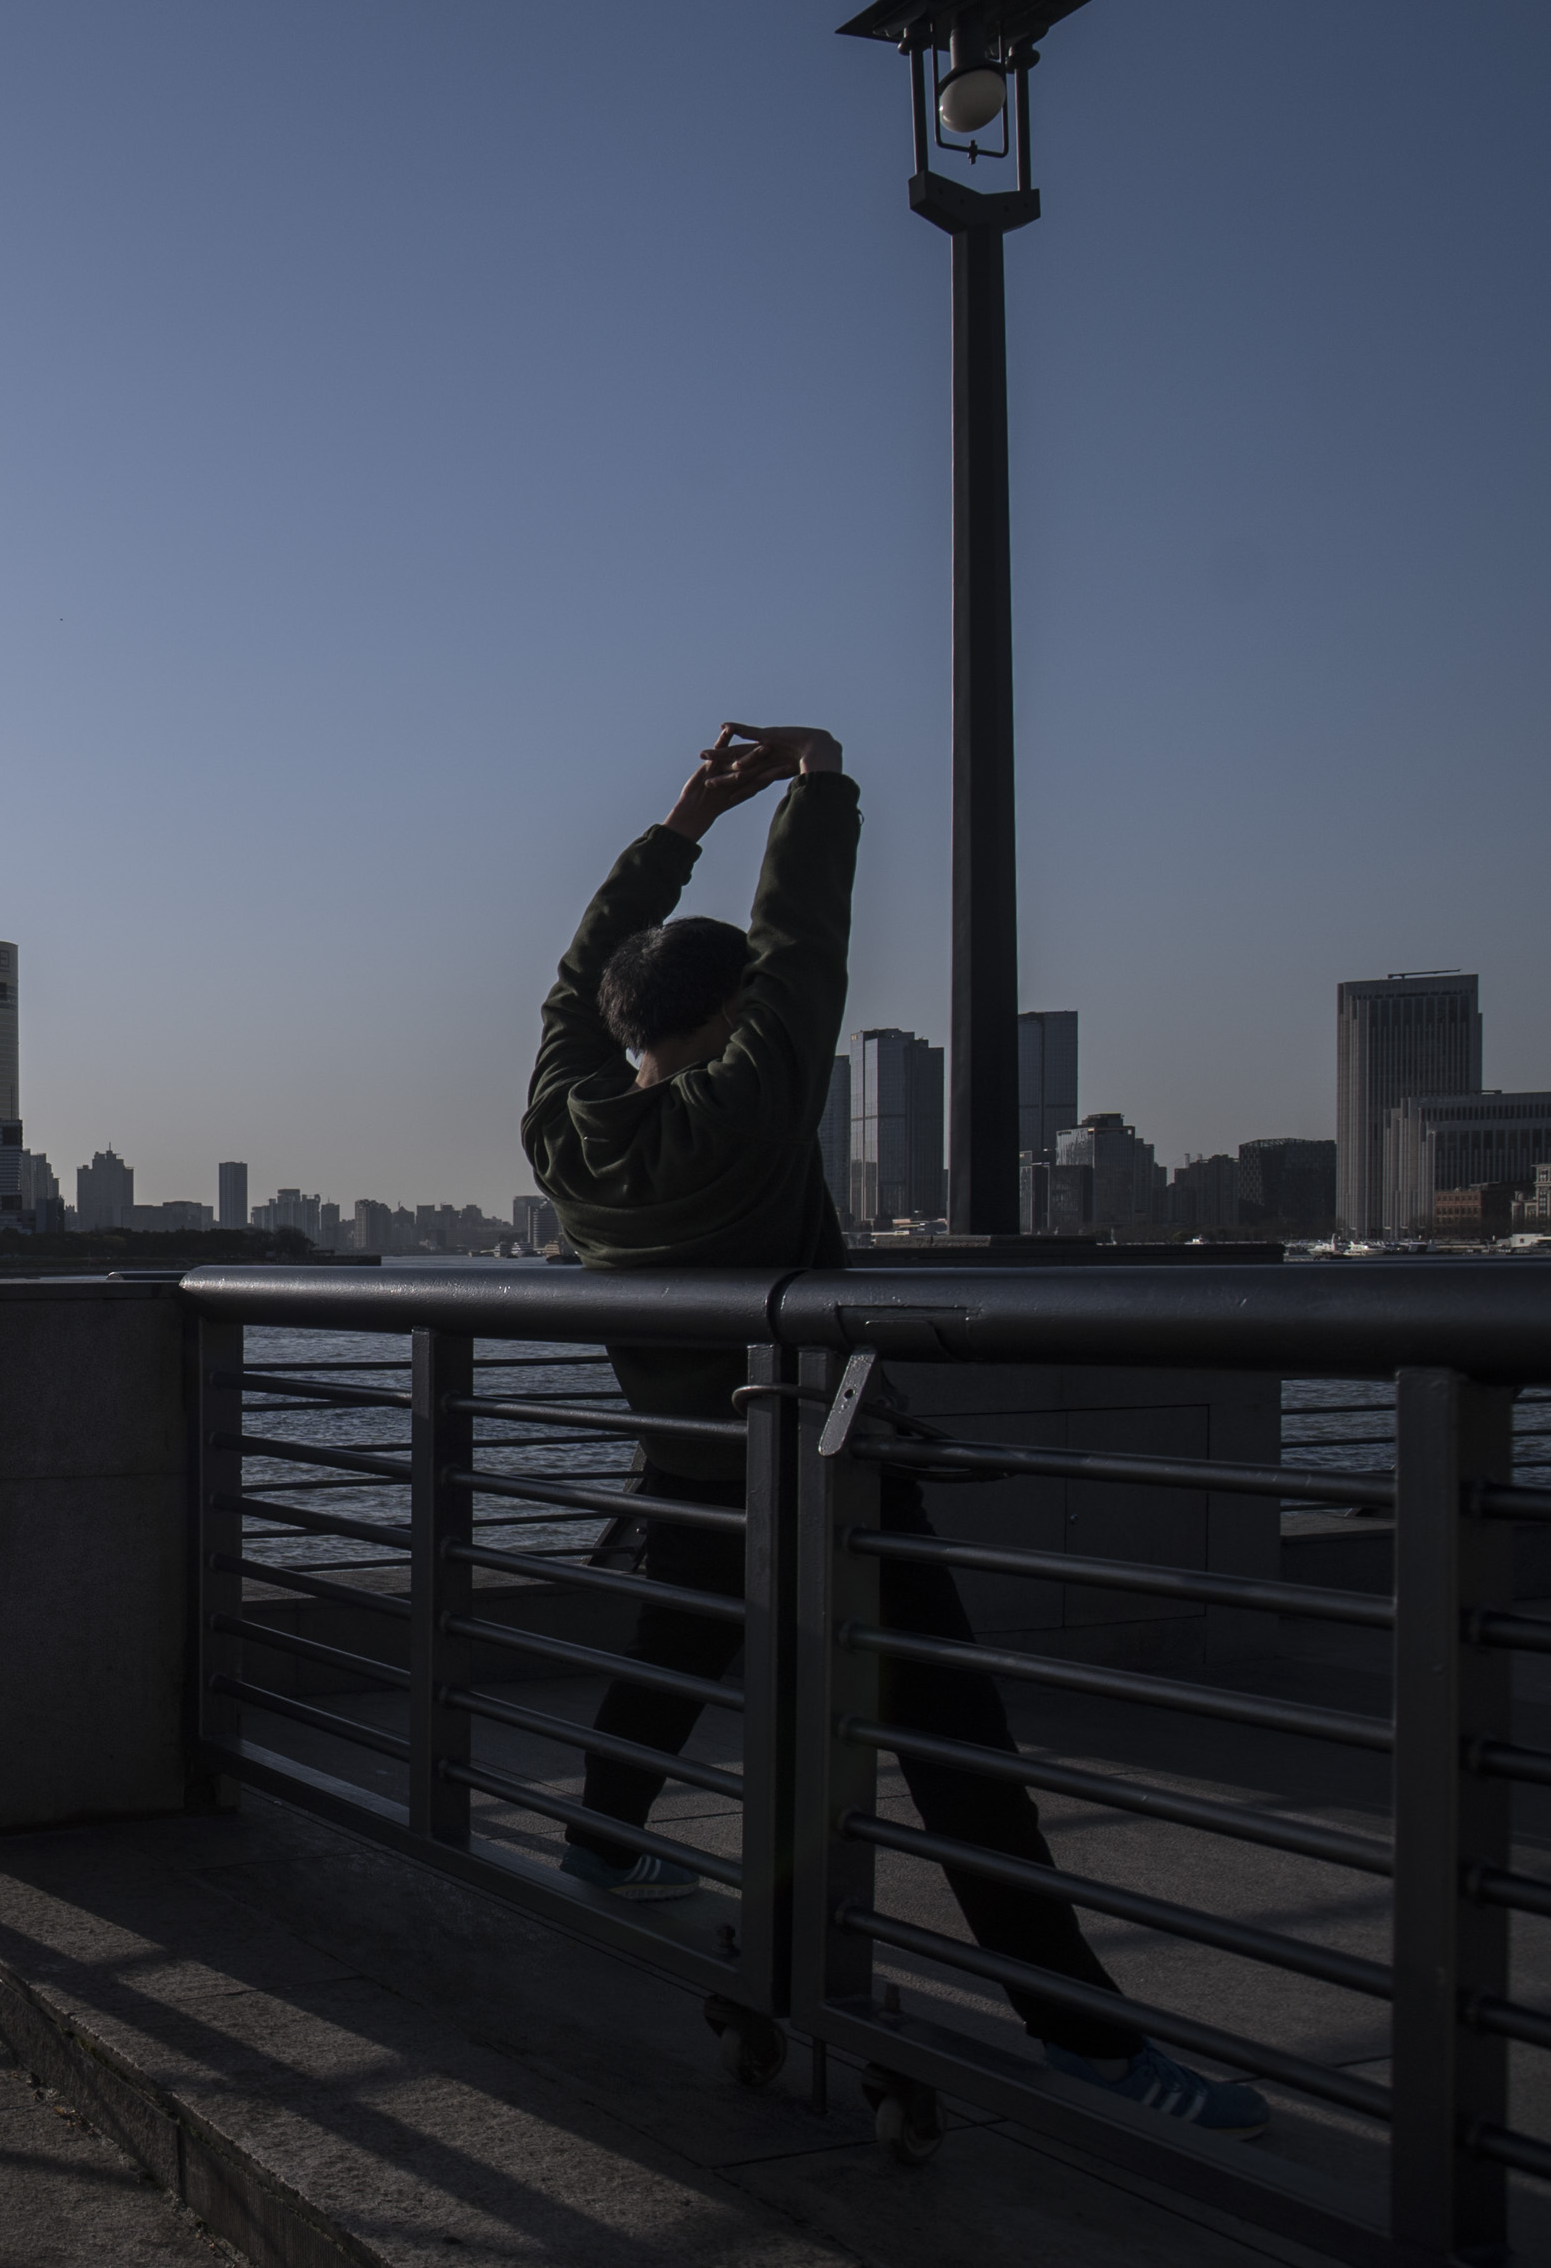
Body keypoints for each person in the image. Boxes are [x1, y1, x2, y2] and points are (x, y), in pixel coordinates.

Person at [521, 722, 1267, 2139]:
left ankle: (604, 1845)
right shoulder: (746, 1114)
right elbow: (801, 946)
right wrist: (817, 783)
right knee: (958, 1744)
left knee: (672, 1650)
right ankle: (1088, 2040)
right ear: (734, 1022)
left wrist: (691, 815)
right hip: (820, 1470)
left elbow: (586, 974)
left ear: (624, 1029)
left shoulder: (563, 1136)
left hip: (693, 1474)